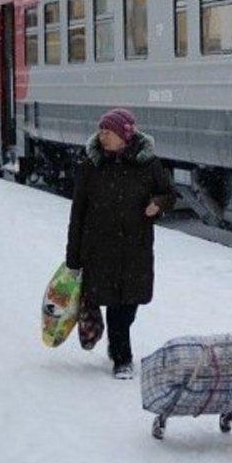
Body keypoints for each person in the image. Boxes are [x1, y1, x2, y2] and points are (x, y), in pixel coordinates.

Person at [65, 108, 176, 379]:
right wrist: (73, 259)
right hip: (99, 250)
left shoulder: (148, 165)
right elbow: (78, 214)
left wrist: (157, 204)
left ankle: (116, 343)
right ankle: (122, 358)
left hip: (135, 248)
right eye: (101, 131)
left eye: (108, 132)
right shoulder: (91, 167)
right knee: (115, 304)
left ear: (124, 135)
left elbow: (168, 193)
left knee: (128, 306)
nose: (102, 136)